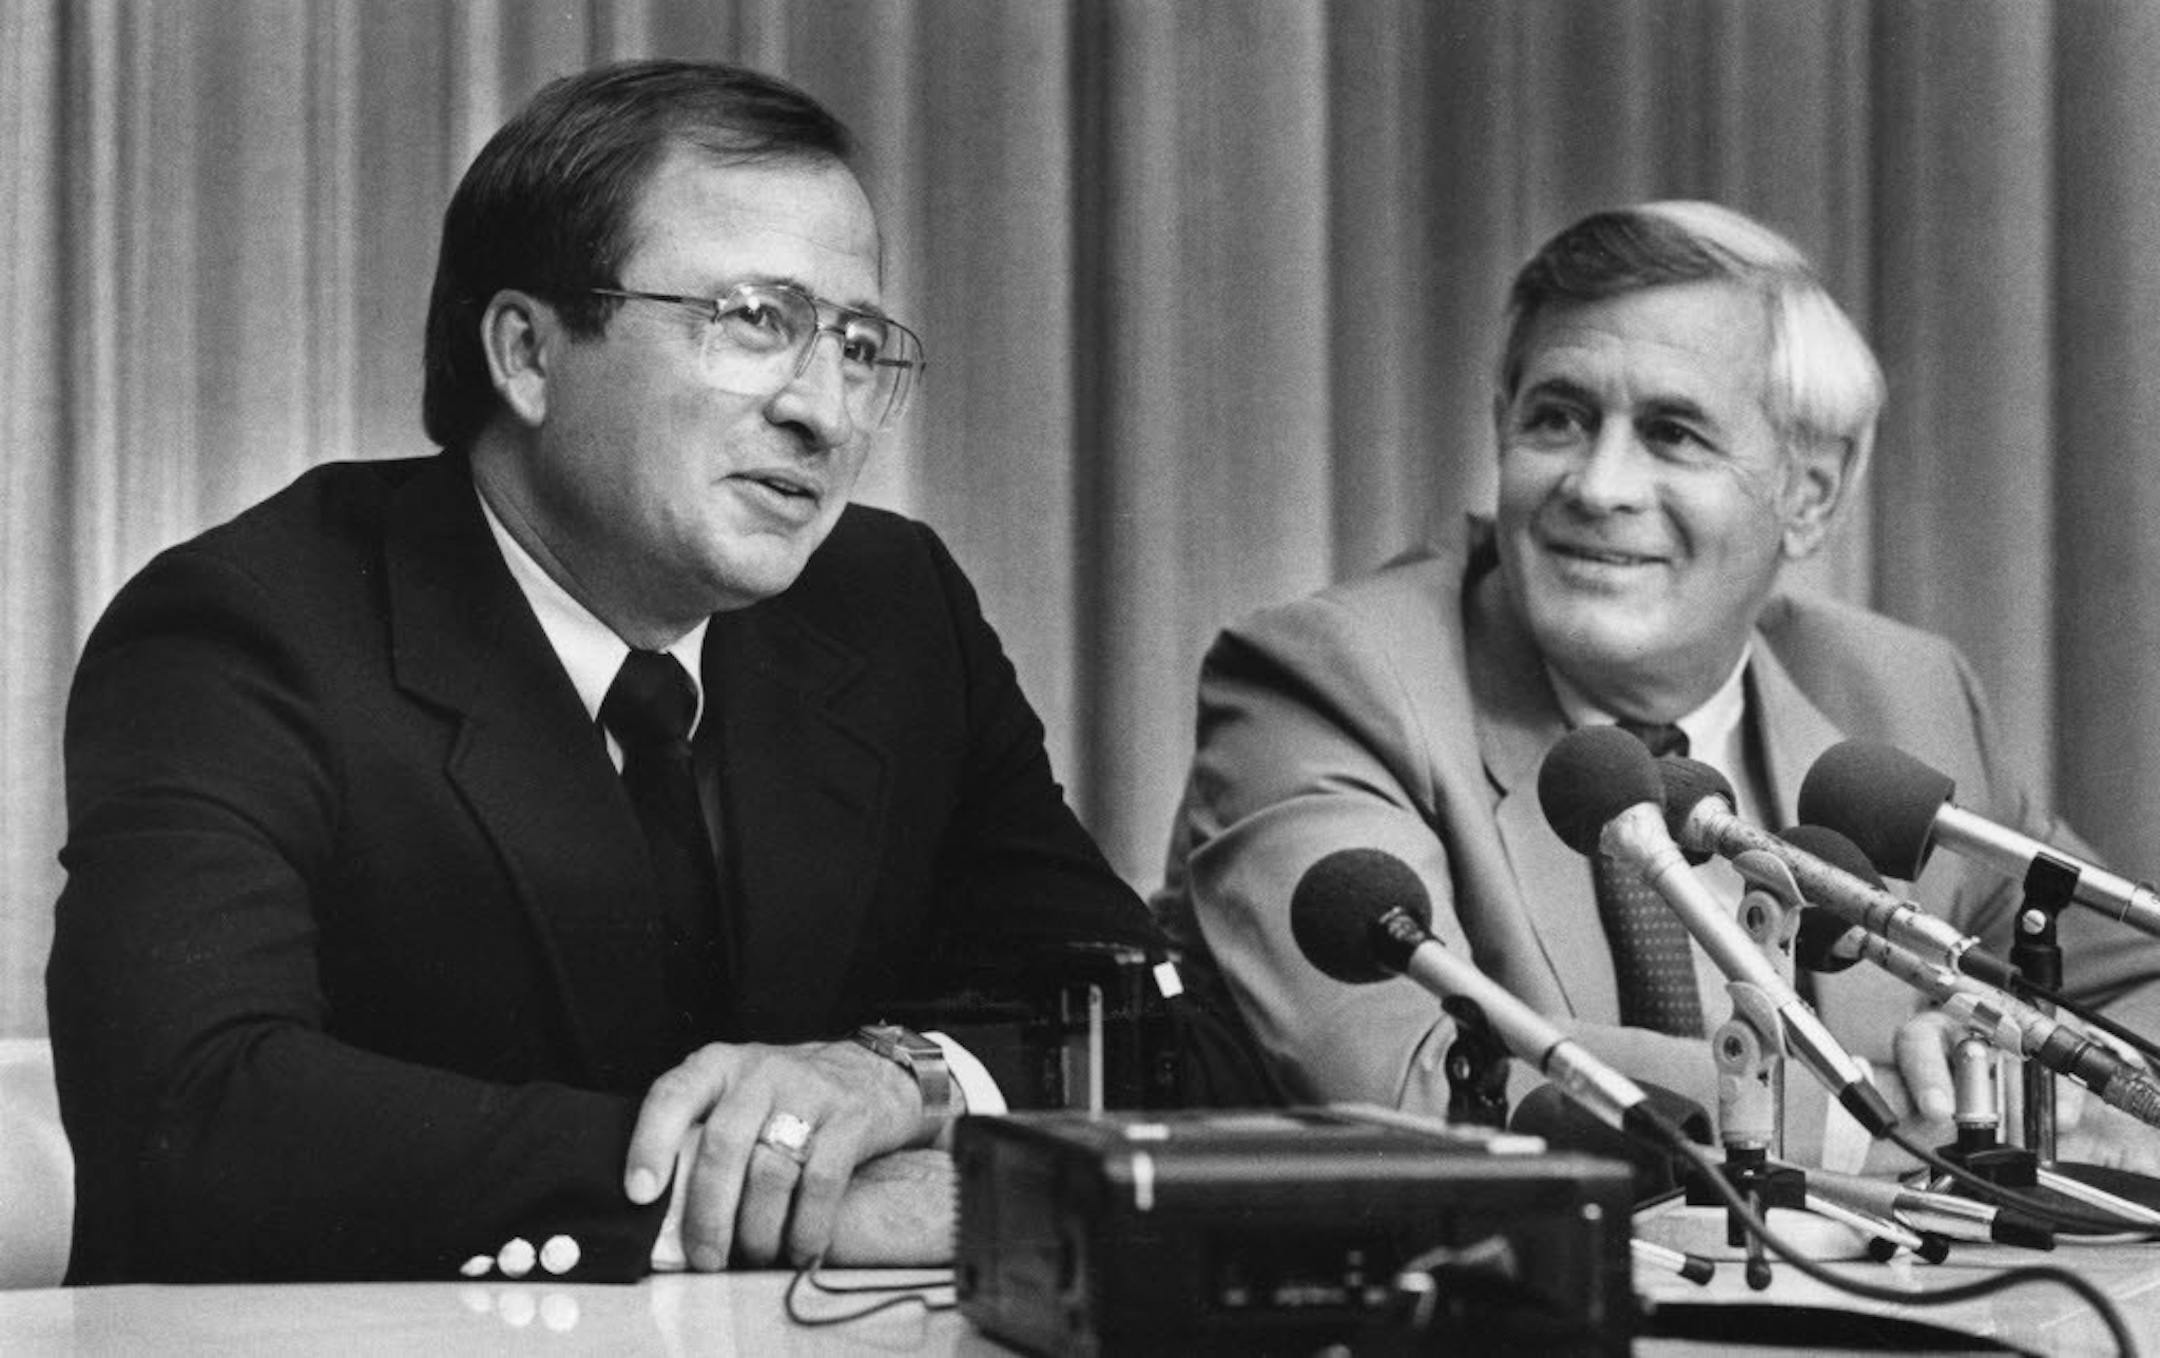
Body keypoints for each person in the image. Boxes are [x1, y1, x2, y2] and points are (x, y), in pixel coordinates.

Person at [48, 58, 1178, 1284]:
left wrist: (894, 1077)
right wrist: (779, 1197)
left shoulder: (895, 611)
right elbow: (191, 1112)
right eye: (757, 320)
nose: (829, 412)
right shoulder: (249, 627)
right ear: (528, 352)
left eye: (857, 344)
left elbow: (1161, 1027)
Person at [1154, 200, 2160, 1173]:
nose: (1599, 486)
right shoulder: (1327, 680)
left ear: (1807, 495)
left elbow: (2137, 991)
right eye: (1558, 418)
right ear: (1501, 429)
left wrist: (2009, 1059)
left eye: (1673, 433)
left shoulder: (1902, 694)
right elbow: (1421, 1080)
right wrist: (1888, 1116)